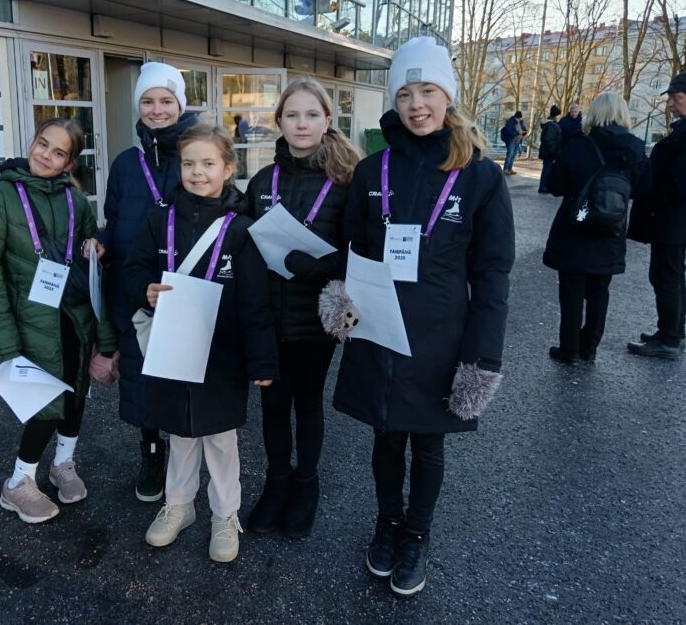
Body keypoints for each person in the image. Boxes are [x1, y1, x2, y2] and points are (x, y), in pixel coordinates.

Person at [325, 37, 515, 596]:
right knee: (385, 437)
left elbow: (494, 274)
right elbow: (356, 248)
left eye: (428, 90)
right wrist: (339, 296)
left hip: (440, 334)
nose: (416, 104)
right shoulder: (372, 169)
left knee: (427, 442)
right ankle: (386, 524)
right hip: (380, 330)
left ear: (448, 96)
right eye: (405, 93)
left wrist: (482, 357)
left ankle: (417, 533)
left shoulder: (479, 175)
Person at [124, 123, 279, 562]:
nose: (197, 172)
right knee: (179, 431)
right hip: (173, 344)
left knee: (220, 436)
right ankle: (178, 505)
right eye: (189, 163)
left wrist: (262, 361)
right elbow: (133, 269)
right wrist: (144, 290)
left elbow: (254, 300)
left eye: (208, 163)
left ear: (228, 168)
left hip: (222, 351)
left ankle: (225, 514)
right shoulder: (159, 220)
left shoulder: (242, 229)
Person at [0, 118, 115, 524]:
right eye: (42, 144)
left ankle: (63, 464)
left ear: (69, 163)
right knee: (43, 405)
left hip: (73, 317)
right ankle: (18, 483)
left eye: (58, 153)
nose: (45, 156)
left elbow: (91, 270)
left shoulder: (75, 200)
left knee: (74, 395)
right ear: (32, 142)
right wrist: (4, 342)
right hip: (28, 321)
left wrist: (95, 248)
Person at [242, 78, 360, 539]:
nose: (302, 123)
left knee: (307, 403)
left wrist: (324, 266)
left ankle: (306, 486)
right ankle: (276, 483)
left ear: (328, 120)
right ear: (279, 122)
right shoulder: (262, 180)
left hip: (317, 316)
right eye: (293, 115)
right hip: (269, 316)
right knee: (272, 405)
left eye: (312, 114)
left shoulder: (347, 179)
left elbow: (362, 247)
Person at [95, 62, 198, 502]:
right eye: (147, 101)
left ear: (180, 105)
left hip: (185, 286)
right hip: (135, 287)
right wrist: (99, 242)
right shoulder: (124, 164)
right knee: (143, 375)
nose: (156, 110)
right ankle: (152, 453)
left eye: (166, 101)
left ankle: (183, 455)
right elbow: (113, 220)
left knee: (182, 377)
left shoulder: (196, 152)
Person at [542, 93, 651, 365]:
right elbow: (642, 188)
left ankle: (568, 349)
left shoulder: (580, 144)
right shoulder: (635, 147)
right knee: (600, 291)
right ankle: (589, 347)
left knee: (571, 292)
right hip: (610, 229)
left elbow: (556, 186)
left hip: (575, 227)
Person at [626, 71, 686, 359]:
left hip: (673, 220)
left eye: (677, 98)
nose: (672, 105)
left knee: (666, 277)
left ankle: (669, 338)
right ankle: (673, 330)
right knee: (672, 276)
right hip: (673, 219)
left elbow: (677, 184)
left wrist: (648, 188)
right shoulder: (681, 131)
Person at [538, 104, 563, 193]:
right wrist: (554, 153)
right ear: (556, 116)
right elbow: (549, 141)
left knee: (547, 169)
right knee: (547, 170)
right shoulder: (552, 126)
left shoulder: (550, 125)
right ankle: (543, 187)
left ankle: (544, 186)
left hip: (547, 152)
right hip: (549, 153)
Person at [501, 110, 527, 175]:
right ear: (516, 117)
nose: (519, 119)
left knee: (513, 156)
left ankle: (510, 169)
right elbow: (509, 132)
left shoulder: (520, 123)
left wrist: (524, 132)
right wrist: (518, 132)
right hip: (512, 141)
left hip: (517, 141)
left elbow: (524, 129)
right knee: (510, 155)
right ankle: (505, 169)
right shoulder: (510, 122)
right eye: (518, 118)